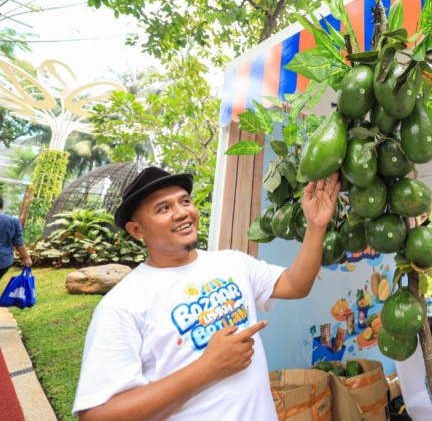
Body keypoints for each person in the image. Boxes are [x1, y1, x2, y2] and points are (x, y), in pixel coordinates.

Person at [72, 166, 340, 420]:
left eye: (185, 201)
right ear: (136, 230)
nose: (181, 213)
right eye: (163, 208)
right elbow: (97, 414)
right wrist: (207, 369)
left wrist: (316, 226)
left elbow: (296, 284)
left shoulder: (232, 262)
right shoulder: (122, 305)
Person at [0, 196, 32, 280]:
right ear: (2, 207)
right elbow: (19, 243)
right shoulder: (12, 221)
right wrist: (26, 258)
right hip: (3, 261)